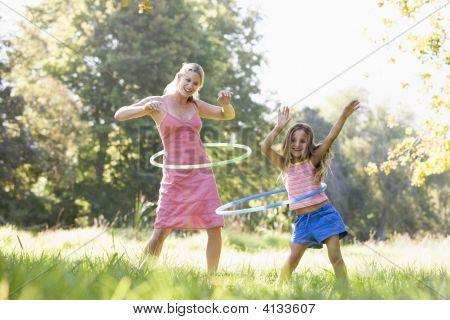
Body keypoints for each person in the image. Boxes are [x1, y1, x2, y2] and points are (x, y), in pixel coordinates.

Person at [114, 62, 235, 272]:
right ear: (179, 77)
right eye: (187, 80)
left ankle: (212, 278)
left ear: (198, 87)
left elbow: (227, 115)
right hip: (175, 175)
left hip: (201, 173)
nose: (190, 85)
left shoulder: (196, 105)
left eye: (195, 83)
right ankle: (141, 273)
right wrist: (144, 109)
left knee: (214, 226)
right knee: (162, 229)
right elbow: (120, 114)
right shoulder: (158, 103)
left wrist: (226, 103)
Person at [260, 100, 360, 286]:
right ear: (288, 143)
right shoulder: (285, 165)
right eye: (293, 140)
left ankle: (345, 292)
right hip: (303, 222)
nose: (297, 144)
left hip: (324, 215)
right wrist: (278, 127)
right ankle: (277, 290)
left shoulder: (312, 160)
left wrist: (344, 115)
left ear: (309, 144)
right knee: (292, 260)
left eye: (302, 141)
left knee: (335, 256)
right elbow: (265, 147)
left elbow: (330, 137)